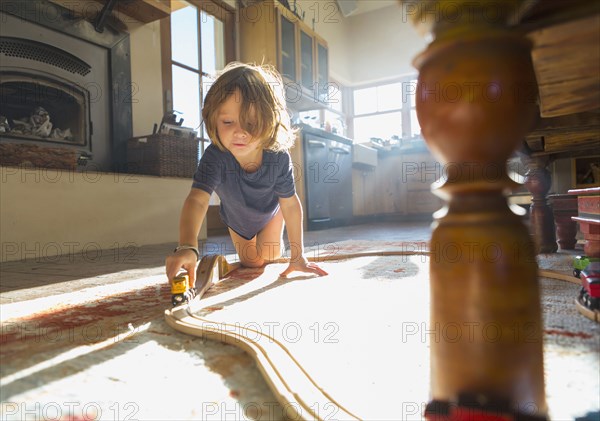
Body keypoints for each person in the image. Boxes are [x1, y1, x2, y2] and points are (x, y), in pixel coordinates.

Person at [165, 62, 328, 288]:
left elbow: (291, 204)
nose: (239, 132)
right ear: (213, 119)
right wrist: (187, 246)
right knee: (252, 263)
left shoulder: (277, 157)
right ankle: (256, 241)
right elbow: (197, 199)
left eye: (250, 122)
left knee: (269, 254)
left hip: (271, 212)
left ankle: (273, 224)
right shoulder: (215, 157)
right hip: (237, 219)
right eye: (228, 122)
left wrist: (298, 257)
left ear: (270, 120)